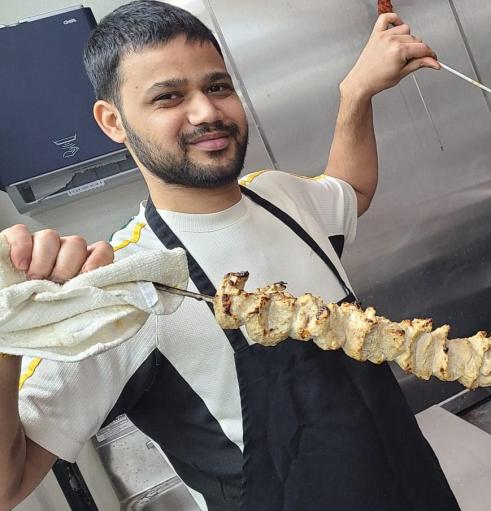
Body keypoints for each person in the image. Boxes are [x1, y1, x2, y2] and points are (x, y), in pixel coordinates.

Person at [0, 1, 460, 509]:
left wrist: (356, 93)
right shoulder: (121, 286)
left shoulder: (282, 196)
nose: (206, 112)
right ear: (113, 122)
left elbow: (352, 189)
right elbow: (9, 483)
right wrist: (6, 329)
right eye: (169, 97)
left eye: (216, 87)